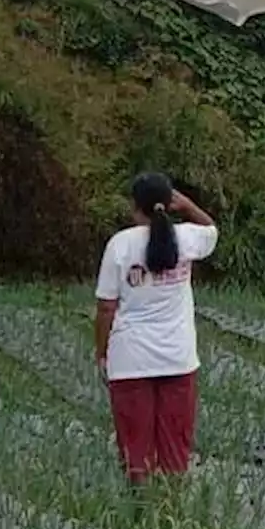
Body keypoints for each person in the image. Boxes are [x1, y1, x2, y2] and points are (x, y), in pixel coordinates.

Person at [94, 173, 217, 486]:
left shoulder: (120, 244)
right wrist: (188, 205)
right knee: (175, 447)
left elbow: (106, 307)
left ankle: (140, 509)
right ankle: (171, 510)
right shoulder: (186, 238)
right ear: (169, 202)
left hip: (130, 358)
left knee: (135, 448)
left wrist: (102, 352)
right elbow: (211, 230)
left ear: (135, 207)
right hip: (178, 357)